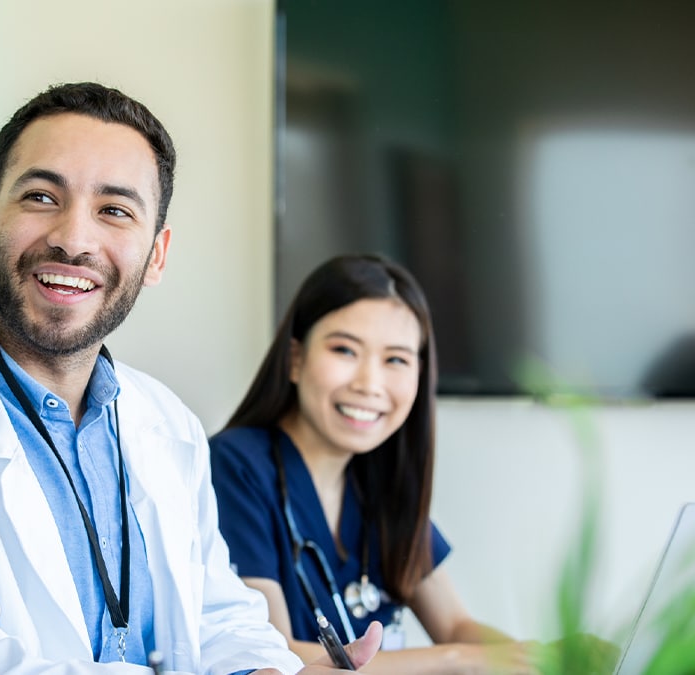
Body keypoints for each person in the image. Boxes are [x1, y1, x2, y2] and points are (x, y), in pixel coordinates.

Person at [0, 82, 379, 674]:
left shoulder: (167, 424)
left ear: (157, 256)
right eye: (41, 197)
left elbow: (216, 617)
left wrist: (270, 673)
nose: (72, 239)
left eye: (114, 211)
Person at [210, 255, 537, 674]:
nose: (369, 384)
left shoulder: (379, 480)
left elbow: (456, 625)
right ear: (295, 359)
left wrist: (546, 660)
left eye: (396, 359)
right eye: (345, 350)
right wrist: (456, 661)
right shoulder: (235, 466)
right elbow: (271, 653)